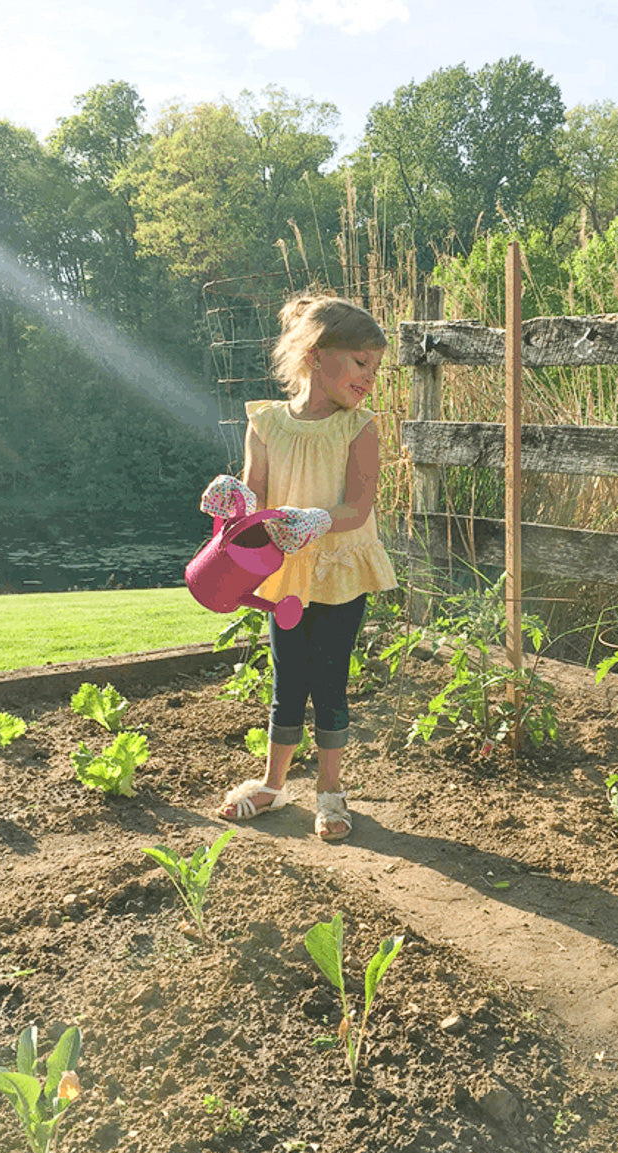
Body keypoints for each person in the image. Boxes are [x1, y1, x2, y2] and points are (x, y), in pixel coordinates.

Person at [215, 294, 397, 840]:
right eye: (361, 363)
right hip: (286, 574)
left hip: (340, 569)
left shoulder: (359, 427)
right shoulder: (267, 423)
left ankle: (330, 793)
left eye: (376, 368)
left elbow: (357, 508)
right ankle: (272, 785)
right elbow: (254, 497)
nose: (370, 377)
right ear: (318, 354)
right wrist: (229, 499)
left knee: (329, 680)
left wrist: (315, 520)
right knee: (287, 675)